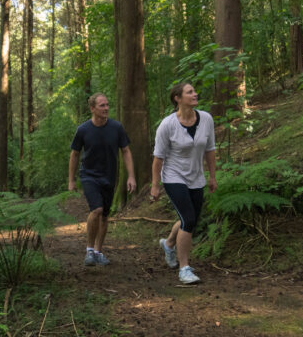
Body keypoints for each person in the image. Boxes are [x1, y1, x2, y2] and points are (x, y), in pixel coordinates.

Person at [150, 82, 217, 284]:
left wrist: (212, 176)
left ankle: (169, 244)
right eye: (190, 92)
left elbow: (210, 150)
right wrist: (155, 185)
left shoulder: (206, 119)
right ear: (178, 98)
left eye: (195, 91)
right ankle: (184, 268)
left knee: (191, 219)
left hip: (196, 177)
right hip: (173, 176)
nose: (195, 94)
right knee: (188, 219)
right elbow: (158, 158)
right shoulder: (167, 125)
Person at [68, 93, 136, 266]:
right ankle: (89, 250)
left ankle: (98, 252)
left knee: (105, 216)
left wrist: (131, 176)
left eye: (107, 105)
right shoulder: (83, 130)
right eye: (102, 105)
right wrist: (71, 180)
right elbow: (75, 154)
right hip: (89, 175)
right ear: (92, 109)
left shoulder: (117, 127)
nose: (106, 108)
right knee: (96, 209)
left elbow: (126, 151)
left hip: (109, 176)